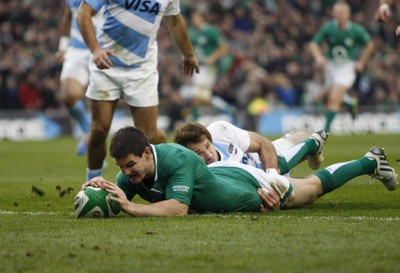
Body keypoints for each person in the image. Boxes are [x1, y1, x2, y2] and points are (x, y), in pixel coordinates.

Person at [83, 126, 398, 217]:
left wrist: (130, 206)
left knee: (312, 188)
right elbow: (121, 195)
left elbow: (178, 209)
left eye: (130, 166)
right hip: (225, 172)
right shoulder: (134, 171)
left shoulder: (176, 159)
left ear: (147, 153)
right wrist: (108, 190)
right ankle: (309, 140)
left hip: (253, 186)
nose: (127, 173)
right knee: (291, 162)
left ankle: (371, 159)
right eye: (123, 168)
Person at [76, 0, 199, 181]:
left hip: (142, 69)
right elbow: (83, 13)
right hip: (107, 64)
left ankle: (164, 168)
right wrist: (95, 49)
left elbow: (174, 20)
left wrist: (188, 54)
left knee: (148, 136)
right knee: (99, 129)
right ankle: (93, 181)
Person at [308, 0, 375, 133]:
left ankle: (324, 132)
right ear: (333, 13)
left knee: (333, 98)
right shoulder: (328, 28)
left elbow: (370, 45)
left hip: (347, 67)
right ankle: (350, 103)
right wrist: (318, 57)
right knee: (329, 95)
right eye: (338, 12)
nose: (340, 15)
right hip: (331, 66)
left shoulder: (356, 30)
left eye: (343, 12)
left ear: (348, 14)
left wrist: (361, 62)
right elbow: (313, 44)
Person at [173, 121, 327, 175]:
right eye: (199, 153)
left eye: (208, 146)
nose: (208, 155)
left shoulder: (219, 131)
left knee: (312, 135)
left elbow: (262, 143)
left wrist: (272, 175)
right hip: (264, 186)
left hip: (270, 163)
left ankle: (313, 152)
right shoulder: (199, 174)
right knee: (313, 190)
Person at [55, 1, 103, 156]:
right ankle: (86, 129)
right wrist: (62, 47)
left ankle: (97, 151)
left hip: (103, 49)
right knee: (68, 96)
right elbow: (68, 16)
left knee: (101, 106)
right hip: (77, 50)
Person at [183, 9, 230, 121]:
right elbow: (189, 48)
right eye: (193, 18)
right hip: (197, 66)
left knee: (197, 94)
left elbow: (224, 48)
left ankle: (196, 119)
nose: (194, 20)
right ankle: (222, 110)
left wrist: (212, 58)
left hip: (208, 67)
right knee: (202, 96)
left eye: (197, 18)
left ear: (202, 18)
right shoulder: (191, 32)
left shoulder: (211, 31)